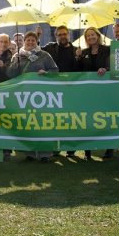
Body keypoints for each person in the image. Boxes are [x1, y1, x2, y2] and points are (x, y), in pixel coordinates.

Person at [7, 31, 58, 162]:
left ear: (37, 42)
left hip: (42, 96)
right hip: (24, 96)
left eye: (33, 40)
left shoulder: (44, 55)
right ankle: (29, 152)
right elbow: (10, 74)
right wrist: (15, 62)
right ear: (24, 42)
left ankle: (45, 154)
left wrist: (46, 72)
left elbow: (55, 70)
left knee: (42, 124)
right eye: (28, 40)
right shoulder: (18, 56)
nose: (30, 42)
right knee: (27, 123)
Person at [41, 25, 79, 158]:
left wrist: (79, 57)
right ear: (56, 36)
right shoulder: (50, 48)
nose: (62, 36)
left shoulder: (76, 50)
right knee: (55, 120)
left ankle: (71, 149)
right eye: (60, 34)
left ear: (68, 35)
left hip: (71, 90)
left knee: (71, 120)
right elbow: (35, 50)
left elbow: (81, 69)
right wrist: (38, 36)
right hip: (54, 90)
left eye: (64, 34)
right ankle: (56, 147)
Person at [78, 27, 110, 160]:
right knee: (88, 120)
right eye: (88, 36)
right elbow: (78, 71)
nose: (91, 37)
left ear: (97, 35)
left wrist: (106, 69)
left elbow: (114, 65)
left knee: (106, 118)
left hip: (104, 91)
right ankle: (88, 151)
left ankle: (109, 148)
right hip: (88, 92)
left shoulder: (107, 49)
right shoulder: (84, 52)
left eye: (92, 35)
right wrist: (78, 58)